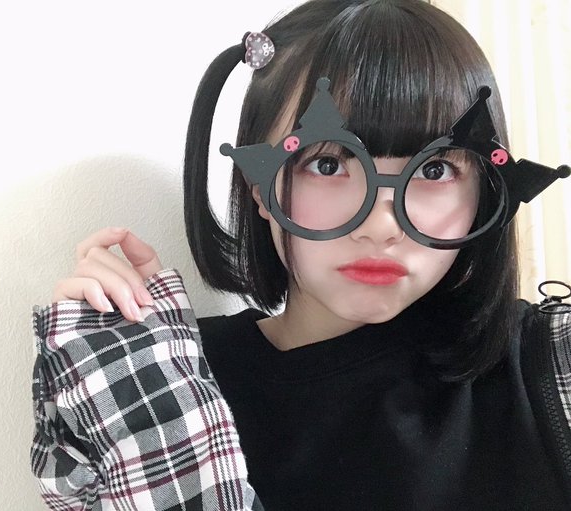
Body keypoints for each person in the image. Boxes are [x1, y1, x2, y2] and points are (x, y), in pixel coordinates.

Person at [30, 0, 571, 509]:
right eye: (328, 164)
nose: (381, 226)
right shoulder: (163, 379)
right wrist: (136, 374)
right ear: (259, 186)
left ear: (483, 192)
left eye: (434, 169)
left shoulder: (548, 364)